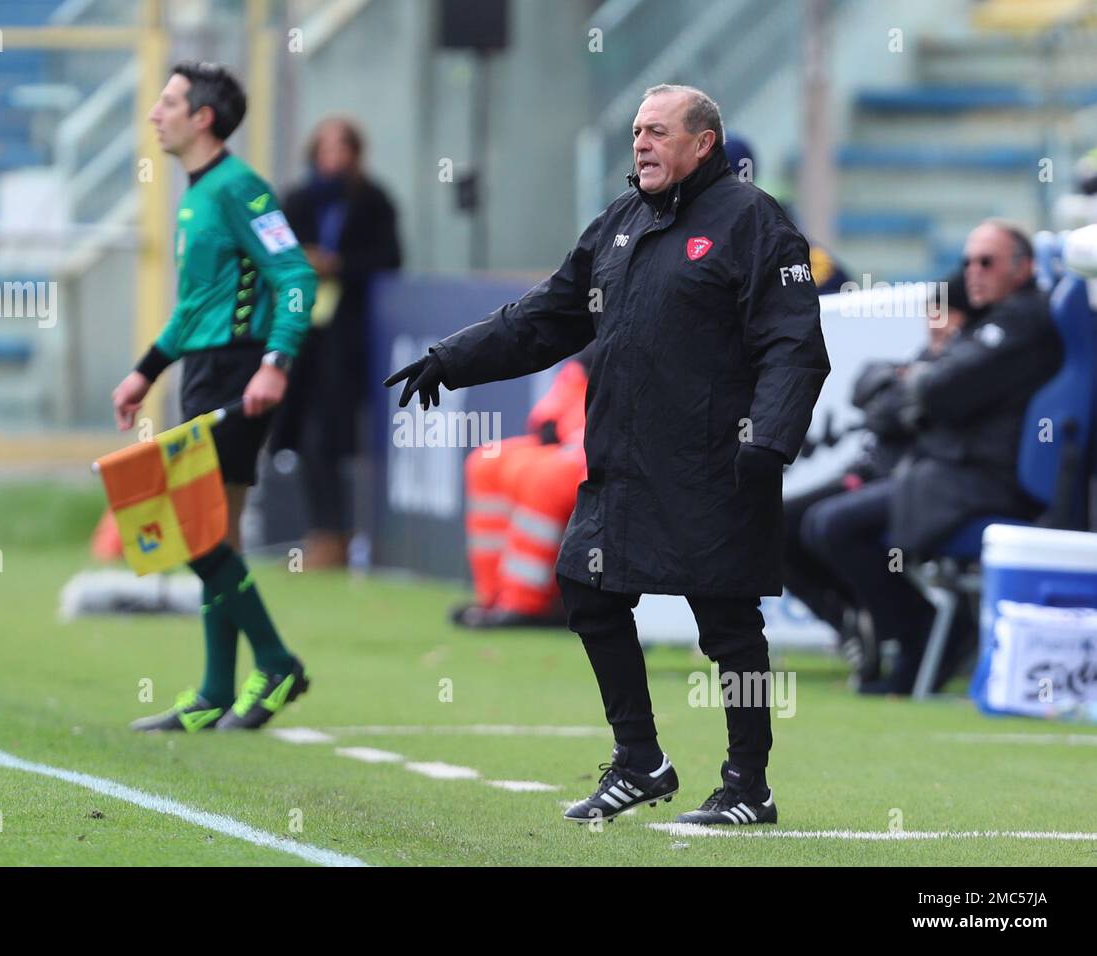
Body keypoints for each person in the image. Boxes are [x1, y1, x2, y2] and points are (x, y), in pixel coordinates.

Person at [386, 84, 829, 825]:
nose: (642, 145)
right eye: (635, 132)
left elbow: (795, 345)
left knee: (727, 624)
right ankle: (640, 761)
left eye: (658, 132)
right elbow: (545, 317)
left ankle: (748, 783)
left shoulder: (754, 223)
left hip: (717, 461)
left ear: (703, 143)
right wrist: (451, 357)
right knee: (588, 592)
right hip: (625, 462)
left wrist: (771, 437)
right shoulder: (620, 224)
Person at [112, 62, 317, 732]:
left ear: (203, 117)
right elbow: (195, 303)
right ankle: (212, 692)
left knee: (194, 532)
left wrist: (275, 362)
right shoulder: (196, 194)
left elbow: (295, 275)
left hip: (238, 375)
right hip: (203, 371)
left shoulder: (240, 188)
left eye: (168, 101)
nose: (154, 113)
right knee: (214, 533)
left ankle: (277, 663)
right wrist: (146, 370)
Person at [801, 220, 1063, 695]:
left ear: (1023, 269)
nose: (974, 272)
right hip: (939, 474)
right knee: (816, 523)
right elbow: (887, 397)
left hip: (978, 482)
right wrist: (918, 382)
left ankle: (917, 633)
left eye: (988, 261)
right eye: (968, 262)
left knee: (833, 525)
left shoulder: (1023, 321)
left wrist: (916, 381)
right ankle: (898, 632)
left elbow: (941, 390)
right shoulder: (987, 322)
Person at [783, 271, 975, 684]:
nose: (937, 321)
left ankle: (914, 629)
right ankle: (852, 622)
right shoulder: (925, 362)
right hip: (871, 475)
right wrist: (902, 388)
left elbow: (896, 407)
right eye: (933, 310)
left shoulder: (967, 366)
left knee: (831, 526)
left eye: (949, 312)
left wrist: (902, 391)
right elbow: (869, 391)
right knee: (770, 525)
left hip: (910, 484)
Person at [273, 117, 402, 568]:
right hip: (302, 334)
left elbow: (389, 259)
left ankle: (344, 535)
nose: (334, 157)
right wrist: (305, 262)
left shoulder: (372, 202)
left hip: (349, 339)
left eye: (342, 148)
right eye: (325, 148)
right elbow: (273, 255)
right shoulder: (297, 200)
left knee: (336, 437)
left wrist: (339, 264)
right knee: (303, 435)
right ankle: (322, 532)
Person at [455, 352, 590, 629]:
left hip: (613, 445)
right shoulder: (610, 323)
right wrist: (553, 415)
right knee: (486, 463)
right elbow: (579, 372)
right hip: (578, 435)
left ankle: (527, 604)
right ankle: (494, 596)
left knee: (545, 478)